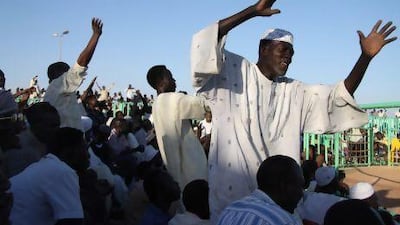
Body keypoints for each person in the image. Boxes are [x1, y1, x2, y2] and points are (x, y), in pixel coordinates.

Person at [190, 0, 397, 220]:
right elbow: (206, 42)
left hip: (281, 205)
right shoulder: (233, 71)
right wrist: (252, 11)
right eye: (283, 49)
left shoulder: (294, 91)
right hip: (232, 205)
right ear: (264, 48)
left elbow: (337, 97)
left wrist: (365, 58)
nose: (289, 56)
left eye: (292, 52)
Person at [9, 127, 89, 225]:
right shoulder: (61, 171)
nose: (88, 155)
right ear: (70, 151)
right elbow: (72, 222)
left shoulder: (49, 166)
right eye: (84, 149)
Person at [147, 65, 208, 190]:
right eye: (171, 77)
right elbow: (205, 105)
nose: (175, 81)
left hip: (174, 171)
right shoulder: (173, 99)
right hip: (192, 170)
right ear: (160, 82)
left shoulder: (156, 104)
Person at [44, 18, 103, 131]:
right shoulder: (59, 84)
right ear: (57, 75)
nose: (68, 73)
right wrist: (95, 35)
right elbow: (81, 63)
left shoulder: (59, 92)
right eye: (66, 72)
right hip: (67, 143)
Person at [217, 155, 304, 225]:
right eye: (299, 186)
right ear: (283, 185)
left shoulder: (230, 211)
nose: (301, 193)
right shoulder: (284, 220)